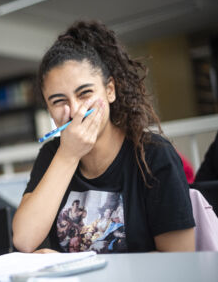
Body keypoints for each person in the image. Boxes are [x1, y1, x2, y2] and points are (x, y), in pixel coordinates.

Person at [12, 20, 195, 254]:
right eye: (58, 101)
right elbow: (24, 239)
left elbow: (180, 260)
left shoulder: (154, 154)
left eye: (85, 93)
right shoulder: (52, 154)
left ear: (110, 90)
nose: (75, 110)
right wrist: (68, 154)